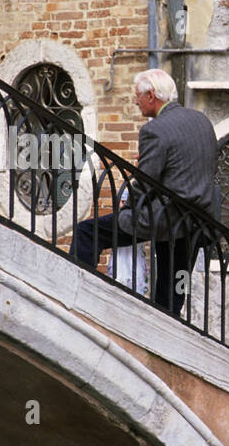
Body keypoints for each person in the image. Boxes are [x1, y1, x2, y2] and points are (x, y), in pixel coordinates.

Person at [70, 69, 220, 316]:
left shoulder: (154, 130)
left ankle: (78, 295)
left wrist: (128, 208)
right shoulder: (201, 121)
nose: (135, 101)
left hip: (163, 218)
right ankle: (170, 328)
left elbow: (146, 182)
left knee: (87, 232)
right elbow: (195, 165)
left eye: (137, 96)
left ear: (151, 95)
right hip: (197, 220)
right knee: (174, 286)